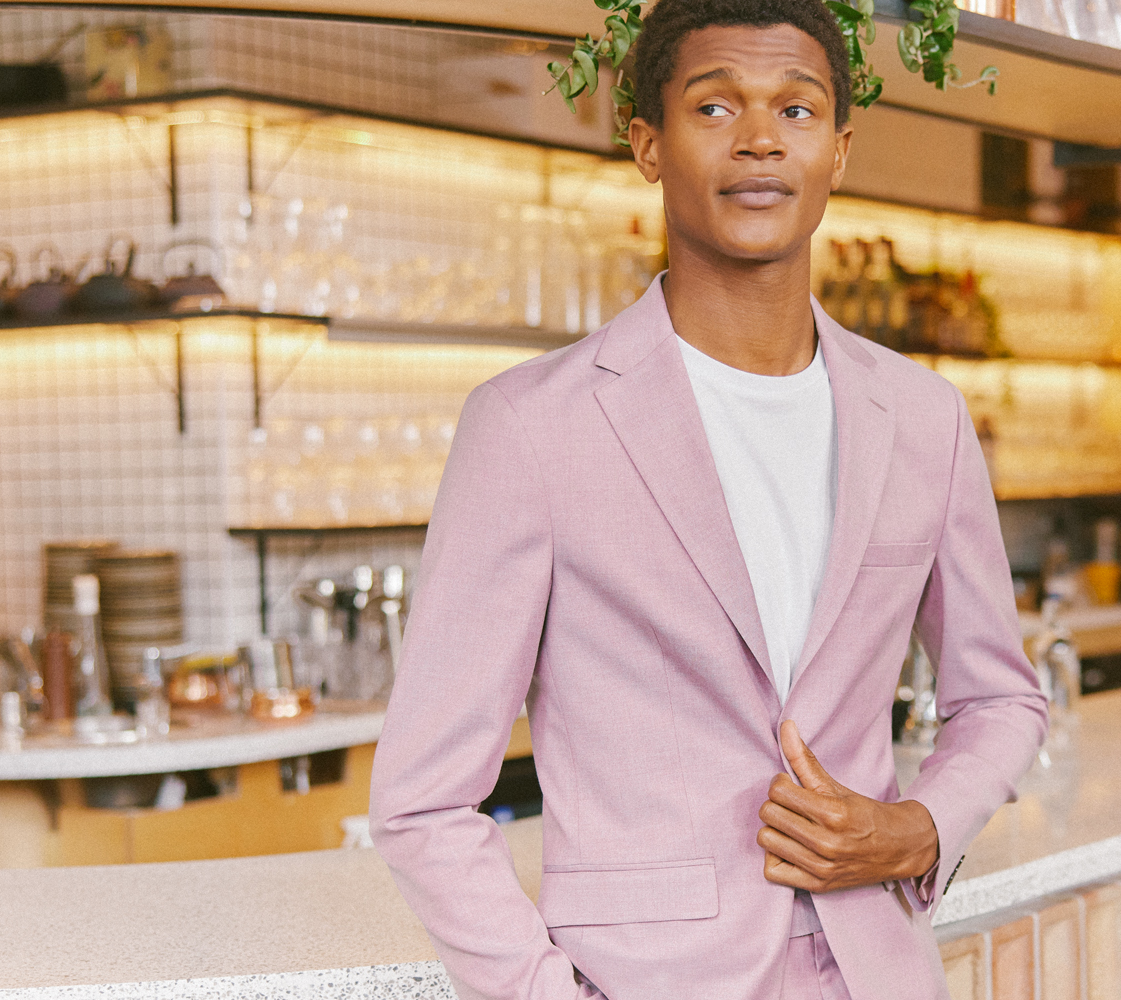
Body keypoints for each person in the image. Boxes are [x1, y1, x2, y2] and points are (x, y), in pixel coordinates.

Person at [368, 0, 1049, 995]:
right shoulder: (529, 426)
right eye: (715, 106)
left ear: (840, 149)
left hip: (877, 971)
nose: (762, 138)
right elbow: (423, 799)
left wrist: (916, 829)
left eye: (797, 109)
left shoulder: (923, 416)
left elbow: (999, 696)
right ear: (647, 143)